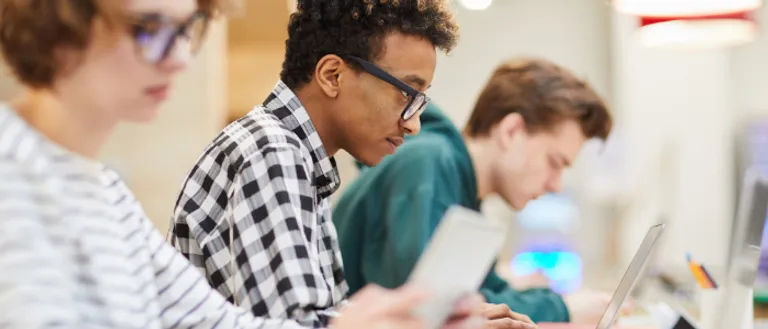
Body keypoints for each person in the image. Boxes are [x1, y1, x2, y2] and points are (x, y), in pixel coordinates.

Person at [0, 0, 489, 328]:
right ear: (59, 27)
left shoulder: (106, 196)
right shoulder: (13, 175)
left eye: (188, 31)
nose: (180, 60)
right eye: (148, 30)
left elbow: (224, 324)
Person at [167, 1, 535, 328]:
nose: (414, 123)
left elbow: (325, 316)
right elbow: (302, 324)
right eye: (406, 94)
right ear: (332, 75)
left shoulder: (300, 159)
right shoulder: (272, 150)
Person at [332, 58, 623, 324]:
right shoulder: (428, 164)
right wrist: (563, 309)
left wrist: (558, 303)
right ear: (511, 131)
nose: (556, 184)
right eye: (554, 162)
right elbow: (429, 311)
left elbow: (485, 292)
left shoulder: (460, 188)